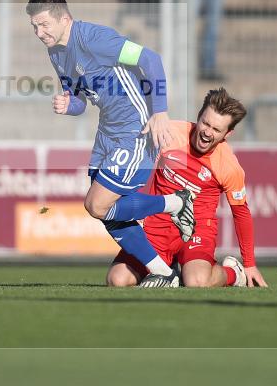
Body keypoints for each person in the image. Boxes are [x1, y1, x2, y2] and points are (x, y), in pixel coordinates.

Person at [27, 0, 195, 288]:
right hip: (106, 133)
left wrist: (160, 113)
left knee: (97, 205)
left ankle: (174, 204)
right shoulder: (55, 52)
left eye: (44, 25)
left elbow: (150, 59)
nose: (39, 33)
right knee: (104, 210)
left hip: (135, 129)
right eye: (34, 27)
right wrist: (69, 105)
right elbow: (80, 99)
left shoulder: (94, 39)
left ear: (64, 19)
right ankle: (163, 272)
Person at [107, 87, 267, 288]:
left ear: (228, 133)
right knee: (117, 280)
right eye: (205, 123)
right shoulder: (169, 134)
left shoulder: (228, 166)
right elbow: (139, 172)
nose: (207, 133)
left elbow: (241, 213)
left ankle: (234, 274)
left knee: (196, 281)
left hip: (197, 229)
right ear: (199, 116)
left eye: (216, 130)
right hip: (157, 226)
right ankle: (169, 268)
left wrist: (250, 264)